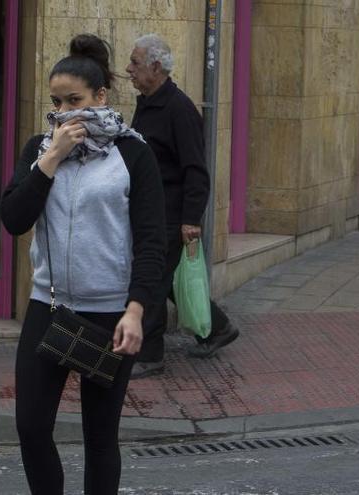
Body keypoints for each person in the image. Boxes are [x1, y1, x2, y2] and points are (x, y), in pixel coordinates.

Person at [0, 34, 165, 494]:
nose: (67, 112)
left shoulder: (132, 153)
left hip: (111, 312)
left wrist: (136, 310)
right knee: (31, 428)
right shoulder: (41, 149)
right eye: (57, 102)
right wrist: (50, 158)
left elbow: (152, 241)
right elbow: (14, 219)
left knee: (99, 435)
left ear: (100, 97)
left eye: (75, 100)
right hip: (49, 305)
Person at [126, 34, 239, 379]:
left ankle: (150, 355)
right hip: (149, 209)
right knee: (169, 281)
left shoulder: (179, 110)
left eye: (135, 63)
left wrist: (191, 218)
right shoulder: (147, 102)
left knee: (155, 282)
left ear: (156, 68)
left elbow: (195, 169)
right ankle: (218, 328)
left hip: (170, 213)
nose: (128, 69)